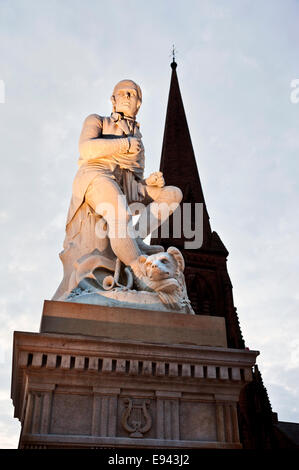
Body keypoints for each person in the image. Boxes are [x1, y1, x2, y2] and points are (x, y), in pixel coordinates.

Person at [54, 79, 182, 299]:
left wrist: (149, 184)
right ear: (113, 101)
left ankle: (134, 239)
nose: (126, 97)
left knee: (172, 194)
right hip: (96, 175)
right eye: (121, 94)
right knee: (117, 210)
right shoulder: (97, 121)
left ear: (138, 103)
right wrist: (125, 144)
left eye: (131, 94)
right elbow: (86, 148)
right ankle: (138, 272)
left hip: (125, 187)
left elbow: (134, 178)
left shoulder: (138, 137)